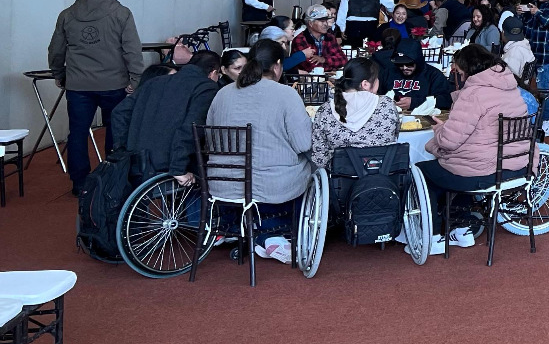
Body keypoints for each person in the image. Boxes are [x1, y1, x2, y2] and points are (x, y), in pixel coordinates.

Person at [206, 39, 313, 260]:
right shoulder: (286, 94)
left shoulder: (223, 93)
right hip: (269, 185)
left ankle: (248, 229)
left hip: (222, 182)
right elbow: (303, 144)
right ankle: (272, 232)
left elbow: (210, 136)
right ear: (277, 65)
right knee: (310, 165)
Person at [418, 45, 533, 247]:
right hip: (518, 168)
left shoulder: (473, 94)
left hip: (485, 174)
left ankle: (434, 237)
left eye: (460, 72)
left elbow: (448, 141)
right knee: (459, 163)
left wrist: (439, 128)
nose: (459, 76)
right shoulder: (511, 88)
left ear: (468, 69)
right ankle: (460, 227)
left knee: (423, 171)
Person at [48, 0, 144, 193]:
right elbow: (132, 50)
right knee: (116, 131)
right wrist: (136, 79)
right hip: (114, 84)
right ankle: (112, 180)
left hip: (78, 85)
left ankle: (79, 183)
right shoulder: (122, 13)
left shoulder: (67, 14)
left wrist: (58, 74)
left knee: (78, 133)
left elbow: (56, 49)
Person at [111, 49, 221, 183]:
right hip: (170, 162)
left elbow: (119, 112)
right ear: (213, 73)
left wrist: (122, 150)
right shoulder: (206, 87)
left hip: (137, 160)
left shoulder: (155, 81)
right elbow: (191, 128)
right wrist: (178, 168)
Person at [308, 58, 400, 168]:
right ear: (365, 84)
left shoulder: (325, 110)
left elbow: (319, 158)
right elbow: (395, 136)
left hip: (341, 176)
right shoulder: (387, 104)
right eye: (377, 79)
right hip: (383, 173)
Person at [381, 51, 455, 112]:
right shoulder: (389, 73)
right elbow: (377, 94)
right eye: (400, 64)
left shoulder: (432, 74)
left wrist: (415, 102)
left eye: (409, 64)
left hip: (423, 118)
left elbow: (446, 100)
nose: (404, 68)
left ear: (417, 61)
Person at [292, 5, 347, 73]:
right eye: (322, 21)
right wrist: (332, 67)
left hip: (329, 77)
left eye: (326, 20)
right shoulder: (300, 40)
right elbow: (311, 67)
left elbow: (343, 60)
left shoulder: (330, 37)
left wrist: (324, 59)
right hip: (307, 78)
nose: (326, 24)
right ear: (311, 23)